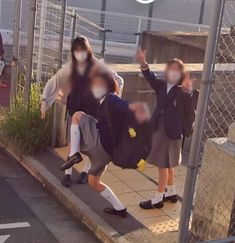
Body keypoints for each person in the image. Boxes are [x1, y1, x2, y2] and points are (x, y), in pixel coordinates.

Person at [60, 72, 149, 217]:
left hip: (100, 144)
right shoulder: (104, 101)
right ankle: (120, 208)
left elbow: (126, 105)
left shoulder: (110, 98)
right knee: (93, 181)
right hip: (107, 154)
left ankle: (74, 155)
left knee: (77, 115)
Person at [41, 36, 124, 187]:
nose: (79, 54)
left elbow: (117, 80)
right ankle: (67, 174)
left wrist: (115, 100)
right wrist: (44, 100)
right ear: (73, 52)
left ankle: (86, 172)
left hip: (93, 110)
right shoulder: (71, 67)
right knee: (74, 142)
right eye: (76, 51)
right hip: (76, 108)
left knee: (91, 143)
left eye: (82, 51)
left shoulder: (97, 65)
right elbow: (55, 80)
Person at [136, 49, 199, 209]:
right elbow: (150, 76)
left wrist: (189, 90)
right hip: (159, 128)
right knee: (167, 163)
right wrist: (143, 63)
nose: (173, 74)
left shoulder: (182, 91)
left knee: (162, 164)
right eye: (170, 70)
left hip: (171, 132)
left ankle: (158, 198)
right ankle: (171, 191)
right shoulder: (162, 86)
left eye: (176, 71)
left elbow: (190, 107)